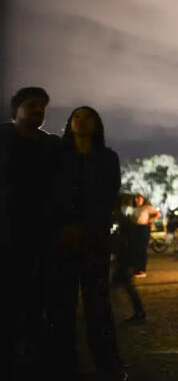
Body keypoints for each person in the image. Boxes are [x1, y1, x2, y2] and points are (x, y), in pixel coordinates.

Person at [48, 106, 125, 378]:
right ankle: (64, 363)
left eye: (88, 117)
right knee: (63, 305)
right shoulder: (57, 156)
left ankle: (108, 364)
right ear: (70, 124)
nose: (81, 122)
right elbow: (52, 195)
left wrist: (94, 229)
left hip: (95, 239)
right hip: (63, 239)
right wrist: (64, 226)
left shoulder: (107, 158)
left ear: (97, 125)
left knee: (99, 306)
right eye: (77, 117)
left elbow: (108, 196)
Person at [1, 87, 60, 377]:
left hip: (44, 235)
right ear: (16, 109)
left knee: (40, 299)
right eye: (32, 104)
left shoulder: (52, 145)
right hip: (8, 233)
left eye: (43, 106)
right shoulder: (3, 137)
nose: (39, 110)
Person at [112, 194, 146, 323]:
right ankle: (136, 311)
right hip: (125, 256)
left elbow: (128, 241)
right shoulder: (124, 218)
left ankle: (137, 311)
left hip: (125, 257)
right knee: (123, 285)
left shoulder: (124, 219)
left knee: (125, 285)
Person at [130, 193, 160, 277]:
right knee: (136, 249)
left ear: (143, 200)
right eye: (136, 199)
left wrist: (149, 220)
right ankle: (136, 269)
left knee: (143, 249)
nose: (138, 201)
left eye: (139, 199)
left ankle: (142, 270)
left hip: (144, 227)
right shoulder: (135, 209)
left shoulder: (147, 208)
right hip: (136, 228)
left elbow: (158, 214)